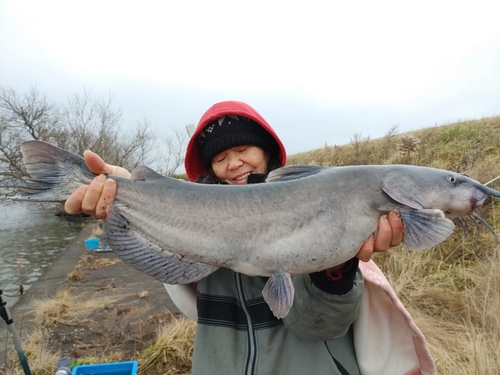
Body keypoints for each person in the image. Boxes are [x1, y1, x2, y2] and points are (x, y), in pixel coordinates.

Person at [65, 101, 436, 375]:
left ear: (267, 152)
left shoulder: (328, 209)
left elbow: (318, 327)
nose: (234, 163)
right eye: (221, 157)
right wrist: (125, 195)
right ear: (208, 168)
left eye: (243, 150)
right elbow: (175, 272)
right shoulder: (193, 229)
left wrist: (336, 265)